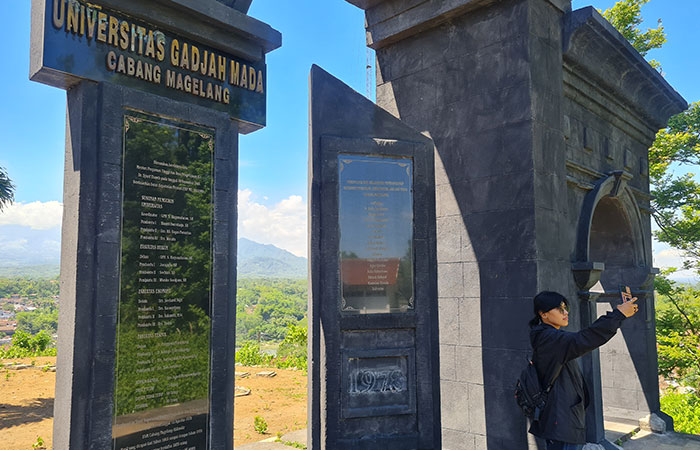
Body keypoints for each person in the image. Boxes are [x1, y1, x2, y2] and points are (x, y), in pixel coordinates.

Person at [528, 291, 639, 450]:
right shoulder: (549, 339)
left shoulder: (549, 336)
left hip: (562, 418)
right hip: (561, 421)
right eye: (559, 309)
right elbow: (585, 338)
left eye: (565, 308)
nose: (565, 313)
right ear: (543, 314)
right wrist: (618, 314)